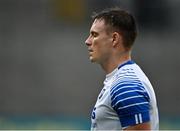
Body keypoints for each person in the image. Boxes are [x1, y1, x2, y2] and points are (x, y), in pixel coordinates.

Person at [85, 8, 159, 130]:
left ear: (114, 39)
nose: (87, 41)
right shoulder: (119, 80)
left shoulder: (125, 84)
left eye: (94, 35)